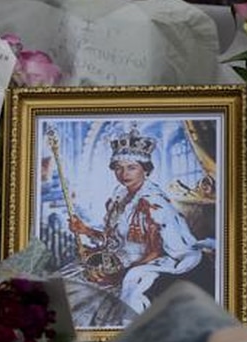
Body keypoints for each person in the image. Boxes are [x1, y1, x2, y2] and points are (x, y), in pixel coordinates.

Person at [67, 126, 213, 314]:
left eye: (131, 167)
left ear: (145, 170)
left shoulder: (152, 204)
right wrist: (85, 230)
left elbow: (156, 251)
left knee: (107, 296)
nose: (124, 173)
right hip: (119, 258)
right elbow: (116, 238)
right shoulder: (119, 198)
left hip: (146, 262)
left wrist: (120, 275)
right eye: (118, 168)